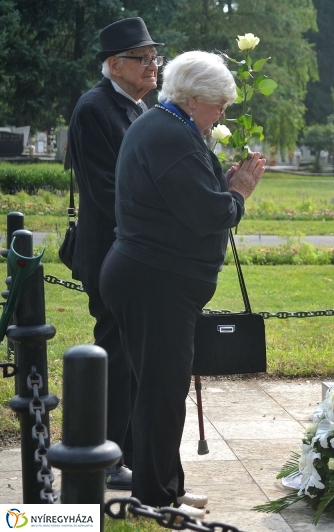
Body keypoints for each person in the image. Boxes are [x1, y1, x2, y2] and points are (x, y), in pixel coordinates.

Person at [99, 50, 265, 517]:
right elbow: (208, 214)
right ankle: (155, 498)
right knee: (161, 392)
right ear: (193, 100)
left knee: (158, 390)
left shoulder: (168, 127)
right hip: (155, 281)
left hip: (154, 279)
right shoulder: (169, 134)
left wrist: (223, 183)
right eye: (219, 106)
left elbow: (192, 195)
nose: (222, 115)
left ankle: (163, 486)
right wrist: (238, 193)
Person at [67, 16, 164, 491]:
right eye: (141, 59)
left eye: (154, 57)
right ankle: (103, 453)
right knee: (114, 351)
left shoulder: (144, 111)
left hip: (140, 252)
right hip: (111, 253)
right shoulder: (94, 109)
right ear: (113, 65)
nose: (152, 66)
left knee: (132, 355)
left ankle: (121, 449)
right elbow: (108, 191)